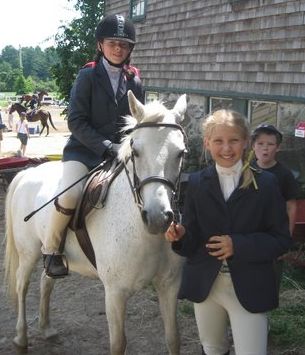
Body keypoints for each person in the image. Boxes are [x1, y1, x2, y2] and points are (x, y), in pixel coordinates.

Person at [165, 109, 292, 355]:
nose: (226, 148)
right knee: (213, 349)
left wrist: (239, 245)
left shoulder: (266, 184)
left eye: (233, 140)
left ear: (245, 142)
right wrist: (180, 237)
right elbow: (192, 243)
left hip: (250, 285)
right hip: (207, 286)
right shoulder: (197, 183)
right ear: (207, 143)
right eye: (218, 141)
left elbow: (281, 240)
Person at [42, 14, 144, 278]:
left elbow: (139, 121)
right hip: (84, 151)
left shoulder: (134, 80)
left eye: (124, 44)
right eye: (113, 43)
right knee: (70, 195)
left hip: (120, 153)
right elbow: (75, 121)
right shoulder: (87, 75)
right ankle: (51, 248)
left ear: (129, 48)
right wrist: (106, 146)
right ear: (101, 45)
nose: (118, 48)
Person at [251, 124, 298, 235]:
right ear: (253, 146)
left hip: (274, 231)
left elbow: (291, 206)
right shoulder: (246, 170)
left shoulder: (285, 174)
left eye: (270, 144)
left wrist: (289, 233)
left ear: (278, 147)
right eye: (260, 143)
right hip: (250, 230)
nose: (265, 148)